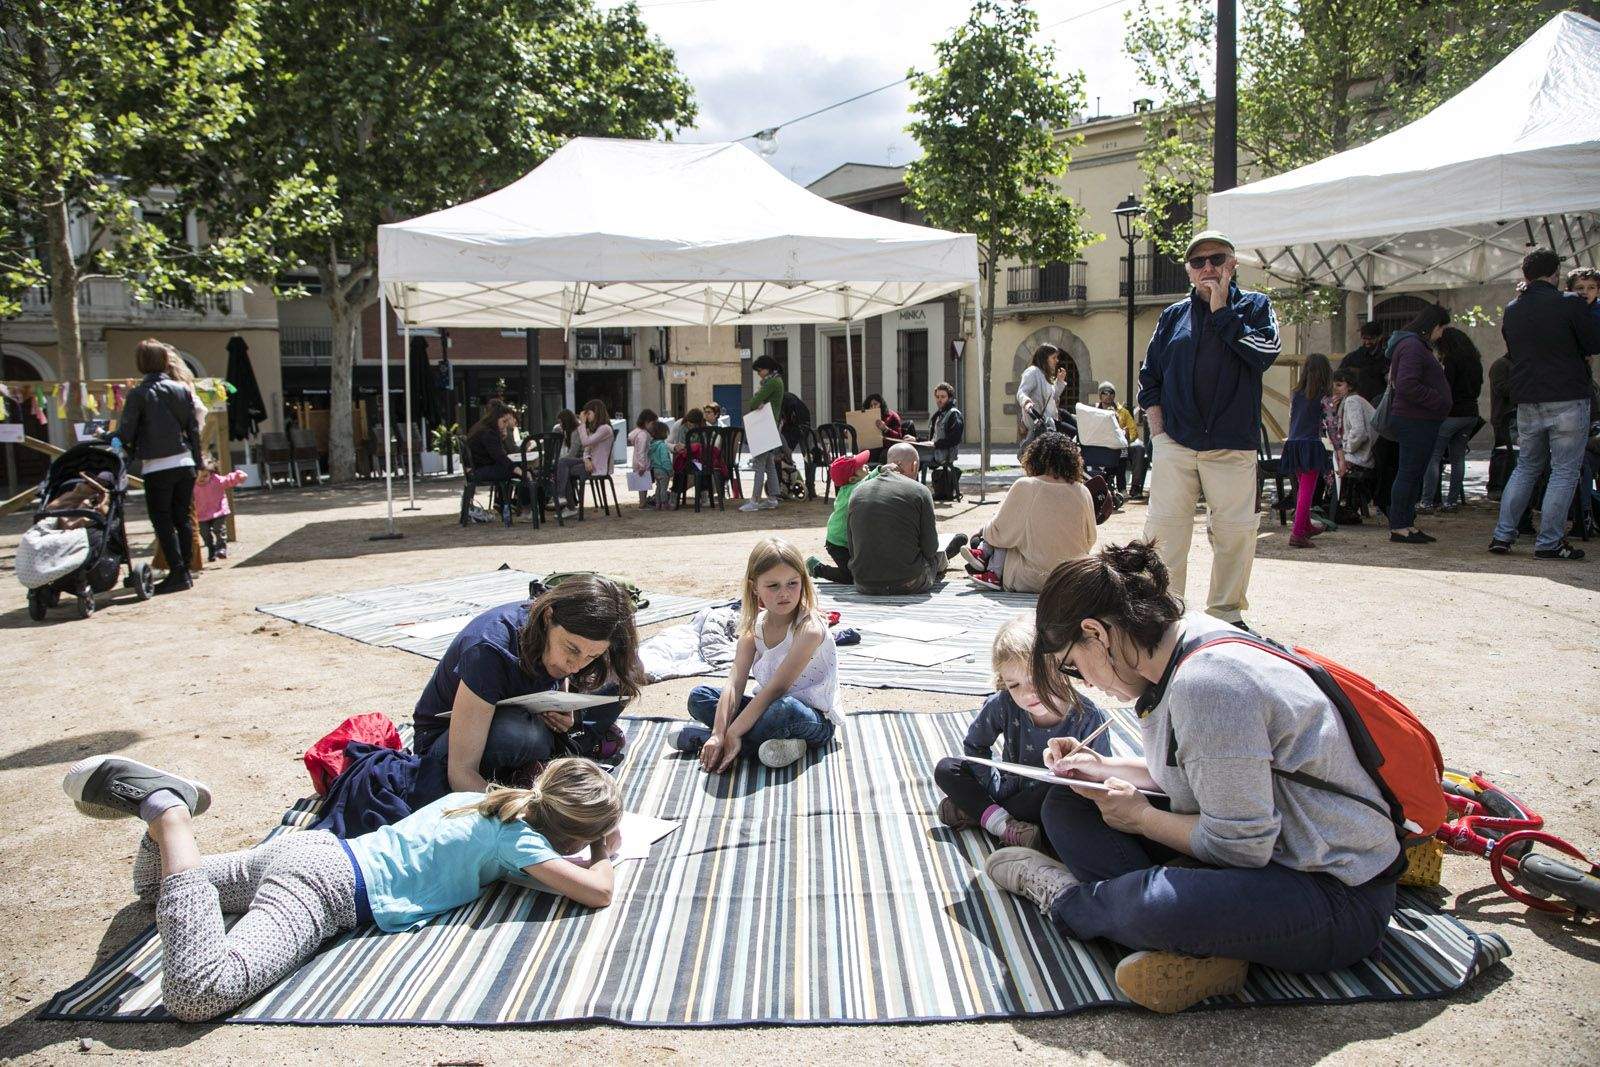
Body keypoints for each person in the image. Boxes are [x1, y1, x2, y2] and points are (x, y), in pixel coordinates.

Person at [982, 541, 1401, 1015]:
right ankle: (1204, 943)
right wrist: (1099, 769)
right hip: (1269, 855)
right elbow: (1198, 777)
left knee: (1154, 906)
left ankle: (1073, 901)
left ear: (1096, 633)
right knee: (1069, 803)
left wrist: (1140, 819)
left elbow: (1241, 844)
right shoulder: (1184, 642)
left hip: (1333, 892)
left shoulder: (1207, 686)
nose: (1088, 684)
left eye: (1075, 668)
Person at [62, 752, 621, 1022]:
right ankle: (169, 815)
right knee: (198, 991)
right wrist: (602, 848)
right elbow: (595, 892)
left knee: (159, 893)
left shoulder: (473, 801)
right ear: (566, 833)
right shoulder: (519, 842)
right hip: (327, 889)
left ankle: (168, 808)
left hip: (310, 850)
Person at [1138, 231, 1279, 624]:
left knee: (1235, 534)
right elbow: (1149, 378)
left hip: (1232, 445)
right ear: (1189, 271)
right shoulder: (1172, 317)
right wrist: (1160, 436)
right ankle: (1167, 613)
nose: (1208, 268)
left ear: (1233, 265)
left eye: (1216, 260)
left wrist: (1222, 313)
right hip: (1176, 445)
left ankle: (1226, 615)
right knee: (1165, 534)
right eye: (1198, 262)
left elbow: (1265, 355)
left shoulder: (1255, 307)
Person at [411, 575, 642, 804]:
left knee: (625, 675)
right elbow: (461, 774)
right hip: (447, 746)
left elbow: (570, 667)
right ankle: (565, 749)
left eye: (592, 656)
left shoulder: (563, 643)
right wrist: (527, 815)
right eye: (571, 648)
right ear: (548, 616)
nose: (577, 665)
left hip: (531, 715)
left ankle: (562, 747)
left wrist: (562, 701)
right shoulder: (488, 650)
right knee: (521, 732)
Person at [934, 615, 1110, 850]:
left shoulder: (1088, 716)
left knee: (1059, 801)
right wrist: (989, 784)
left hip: (1049, 801)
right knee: (947, 768)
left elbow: (1100, 780)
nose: (1027, 694)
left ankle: (979, 811)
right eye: (1014, 685)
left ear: (1059, 666)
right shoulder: (1004, 704)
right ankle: (1001, 823)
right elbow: (975, 746)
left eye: (1036, 678)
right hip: (1008, 789)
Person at [670, 538, 841, 771]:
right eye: (773, 586)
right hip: (764, 709)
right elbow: (734, 683)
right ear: (754, 587)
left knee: (783, 709)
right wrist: (720, 732)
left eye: (792, 583)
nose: (785, 593)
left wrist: (733, 730)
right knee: (700, 696)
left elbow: (776, 689)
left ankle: (711, 741)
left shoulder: (809, 629)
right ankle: (750, 744)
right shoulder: (755, 627)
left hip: (811, 718)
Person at [1490, 248, 1600, 560]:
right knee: (1564, 471)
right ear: (1554, 275)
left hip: (1527, 398)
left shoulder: (1512, 309)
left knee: (1526, 467)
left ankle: (1502, 535)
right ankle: (1549, 541)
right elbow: (1593, 343)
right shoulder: (1570, 304)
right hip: (1567, 395)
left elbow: (1513, 349)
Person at [958, 432, 1097, 592]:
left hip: (1031, 579)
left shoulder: (1026, 486)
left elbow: (998, 534)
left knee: (987, 538)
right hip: (1069, 579)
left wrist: (982, 531)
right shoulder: (1083, 491)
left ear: (1035, 458)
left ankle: (988, 567)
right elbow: (1090, 540)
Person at [115, 339, 202, 595]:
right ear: (165, 361)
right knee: (183, 518)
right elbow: (193, 430)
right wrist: (197, 462)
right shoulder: (181, 390)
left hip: (157, 466)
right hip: (184, 461)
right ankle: (184, 571)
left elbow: (127, 432)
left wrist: (110, 438)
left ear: (141, 364)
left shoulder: (138, 394)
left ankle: (177, 572)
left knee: (163, 520)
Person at [846, 442, 958, 595]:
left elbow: (852, 546)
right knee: (936, 557)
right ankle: (945, 556)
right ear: (914, 465)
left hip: (864, 583)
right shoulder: (920, 491)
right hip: (908, 582)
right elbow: (930, 548)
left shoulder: (857, 491)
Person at [1384, 303, 1452, 544]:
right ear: (1433, 326)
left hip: (1419, 418)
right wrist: (1438, 400)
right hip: (1415, 419)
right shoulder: (1413, 346)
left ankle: (1406, 523)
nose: (1441, 334)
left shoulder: (1412, 345)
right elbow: (1407, 384)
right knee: (1408, 472)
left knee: (1413, 473)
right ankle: (1400, 525)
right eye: (1441, 328)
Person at [1421, 328, 1484, 512]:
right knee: (1458, 458)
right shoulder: (1475, 362)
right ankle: (1452, 501)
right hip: (1471, 413)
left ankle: (1427, 500)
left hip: (1451, 414)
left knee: (1434, 456)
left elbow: (1445, 388)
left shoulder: (1450, 361)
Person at [1280, 354, 1334, 549]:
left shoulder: (1296, 394)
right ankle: (1297, 534)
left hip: (1293, 444)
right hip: (1311, 444)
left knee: (1302, 487)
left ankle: (1306, 525)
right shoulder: (1324, 397)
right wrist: (1340, 451)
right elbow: (1331, 426)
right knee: (1306, 491)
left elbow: (1293, 418)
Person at [807, 450, 874, 585]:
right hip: (837, 543)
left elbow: (867, 480)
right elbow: (866, 482)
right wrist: (880, 471)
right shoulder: (852, 490)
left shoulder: (851, 486)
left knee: (861, 570)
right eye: (861, 466)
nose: (866, 466)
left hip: (848, 540)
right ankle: (817, 568)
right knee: (850, 577)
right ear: (852, 479)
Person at [465, 399, 534, 512]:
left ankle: (507, 503)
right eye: (504, 421)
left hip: (477, 468)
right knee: (525, 471)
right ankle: (524, 508)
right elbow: (500, 457)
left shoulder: (482, 428)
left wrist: (502, 437)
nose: (506, 425)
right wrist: (519, 471)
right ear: (495, 418)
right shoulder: (488, 433)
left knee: (519, 469)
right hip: (480, 471)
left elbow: (497, 454)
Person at [742, 355, 786, 512]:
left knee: (759, 464)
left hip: (765, 425)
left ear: (767, 368)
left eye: (759, 370)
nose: (758, 373)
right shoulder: (778, 380)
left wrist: (757, 400)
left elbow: (753, 403)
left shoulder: (771, 382)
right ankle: (773, 498)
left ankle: (754, 500)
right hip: (771, 424)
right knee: (769, 463)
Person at [1332, 369, 1377, 517]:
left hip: (1362, 455)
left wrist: (1345, 450)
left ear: (1349, 386)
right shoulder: (1347, 401)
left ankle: (1329, 506)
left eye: (1339, 385)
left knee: (1324, 461)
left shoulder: (1352, 401)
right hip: (1362, 452)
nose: (1335, 389)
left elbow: (1359, 432)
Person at [1095, 382, 1145, 498]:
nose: (1108, 395)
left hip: (1121, 444)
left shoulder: (1123, 412)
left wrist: (1125, 436)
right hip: (1102, 445)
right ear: (1100, 395)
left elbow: (1134, 432)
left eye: (1111, 393)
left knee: (1137, 448)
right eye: (1104, 393)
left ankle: (1133, 488)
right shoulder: (1095, 411)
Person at [193, 456, 246, 562]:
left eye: (205, 476)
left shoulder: (216, 480)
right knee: (205, 534)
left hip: (218, 511)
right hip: (201, 514)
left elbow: (228, 479)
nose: (201, 479)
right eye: (197, 477)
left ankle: (221, 548)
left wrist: (238, 476)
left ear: (211, 474)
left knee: (219, 529)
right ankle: (211, 549)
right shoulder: (192, 486)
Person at [1016, 344, 1060, 450]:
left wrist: (1061, 382)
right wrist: (1026, 402)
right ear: (1045, 359)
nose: (1057, 360)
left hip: (1050, 422)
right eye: (1053, 357)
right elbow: (1021, 392)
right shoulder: (1032, 372)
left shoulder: (1045, 375)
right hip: (1040, 424)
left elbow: (1052, 397)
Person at [1339, 321, 1388, 406]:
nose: (1367, 342)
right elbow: (1339, 377)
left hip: (1378, 404)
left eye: (1371, 339)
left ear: (1379, 337)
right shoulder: (1352, 358)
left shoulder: (1385, 358)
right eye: (1365, 338)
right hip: (1357, 403)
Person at [552, 409, 584, 519]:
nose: (560, 425)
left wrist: (557, 461)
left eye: (561, 422)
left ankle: (560, 496)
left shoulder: (577, 432)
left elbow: (572, 454)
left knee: (561, 465)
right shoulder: (567, 431)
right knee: (563, 470)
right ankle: (570, 507)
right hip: (573, 461)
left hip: (582, 459)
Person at [928, 382, 965, 468]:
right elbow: (934, 437)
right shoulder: (938, 415)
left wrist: (935, 444)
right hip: (934, 452)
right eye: (937, 397)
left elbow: (954, 439)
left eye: (943, 397)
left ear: (950, 398)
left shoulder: (954, 414)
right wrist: (916, 439)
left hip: (943, 456)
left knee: (913, 458)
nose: (939, 400)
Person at [628, 409, 658, 509]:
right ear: (646, 423)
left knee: (642, 485)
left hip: (637, 462)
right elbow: (641, 451)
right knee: (643, 485)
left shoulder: (638, 433)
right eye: (653, 423)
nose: (654, 426)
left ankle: (643, 502)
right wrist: (642, 465)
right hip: (642, 463)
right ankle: (643, 503)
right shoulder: (643, 435)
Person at [647, 422, 674, 510]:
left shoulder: (652, 445)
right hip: (663, 470)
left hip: (655, 469)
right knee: (663, 488)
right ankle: (664, 503)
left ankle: (657, 504)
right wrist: (670, 471)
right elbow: (665, 460)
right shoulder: (662, 445)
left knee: (658, 487)